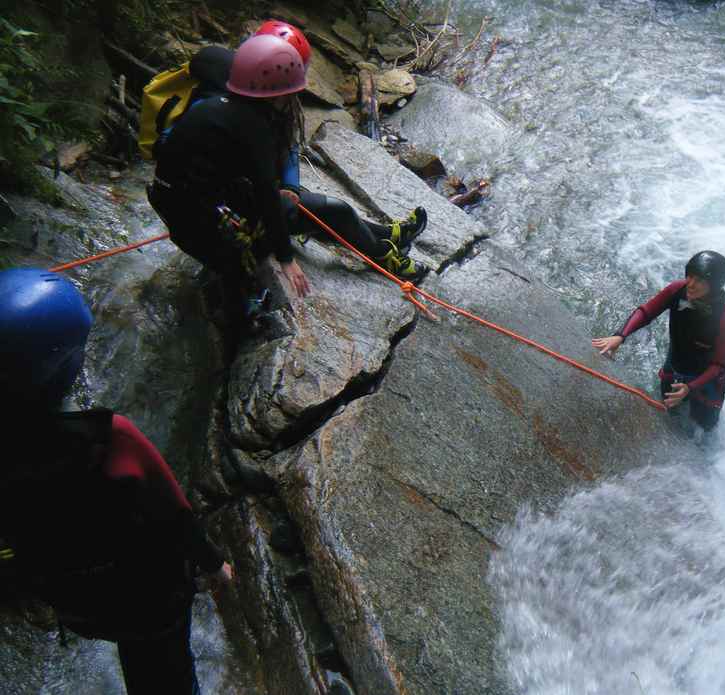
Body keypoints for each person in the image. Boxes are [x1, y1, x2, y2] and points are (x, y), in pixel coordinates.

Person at [0, 268, 233, 694]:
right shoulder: (113, 439)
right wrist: (215, 565)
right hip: (148, 603)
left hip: (73, 600)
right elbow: (175, 515)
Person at [147, 29, 428, 330]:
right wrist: (285, 258)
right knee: (330, 213)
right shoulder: (251, 125)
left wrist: (288, 187)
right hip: (212, 216)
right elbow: (267, 194)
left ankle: (387, 236)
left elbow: (271, 158)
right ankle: (384, 256)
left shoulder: (228, 102)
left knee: (314, 212)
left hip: (199, 206)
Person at [592, 250, 725, 431]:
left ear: (713, 286)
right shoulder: (677, 290)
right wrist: (620, 336)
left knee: (704, 430)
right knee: (667, 416)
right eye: (689, 276)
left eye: (699, 280)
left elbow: (719, 365)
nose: (690, 284)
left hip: (706, 381)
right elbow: (646, 311)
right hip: (674, 367)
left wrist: (690, 388)